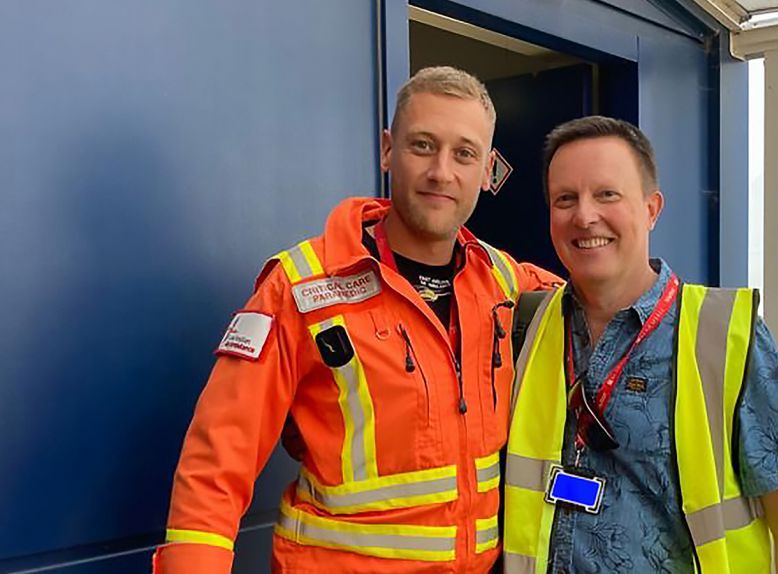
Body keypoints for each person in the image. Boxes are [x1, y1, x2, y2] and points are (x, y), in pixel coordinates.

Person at [153, 66, 560, 574]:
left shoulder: (505, 284)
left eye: (464, 153)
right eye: (422, 145)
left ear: (487, 170)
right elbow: (215, 466)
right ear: (388, 150)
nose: (442, 171)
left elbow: (606, 300)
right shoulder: (300, 287)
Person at [503, 116, 778, 573]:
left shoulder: (722, 334)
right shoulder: (528, 325)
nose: (584, 215)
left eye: (607, 194)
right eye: (565, 199)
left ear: (652, 208)